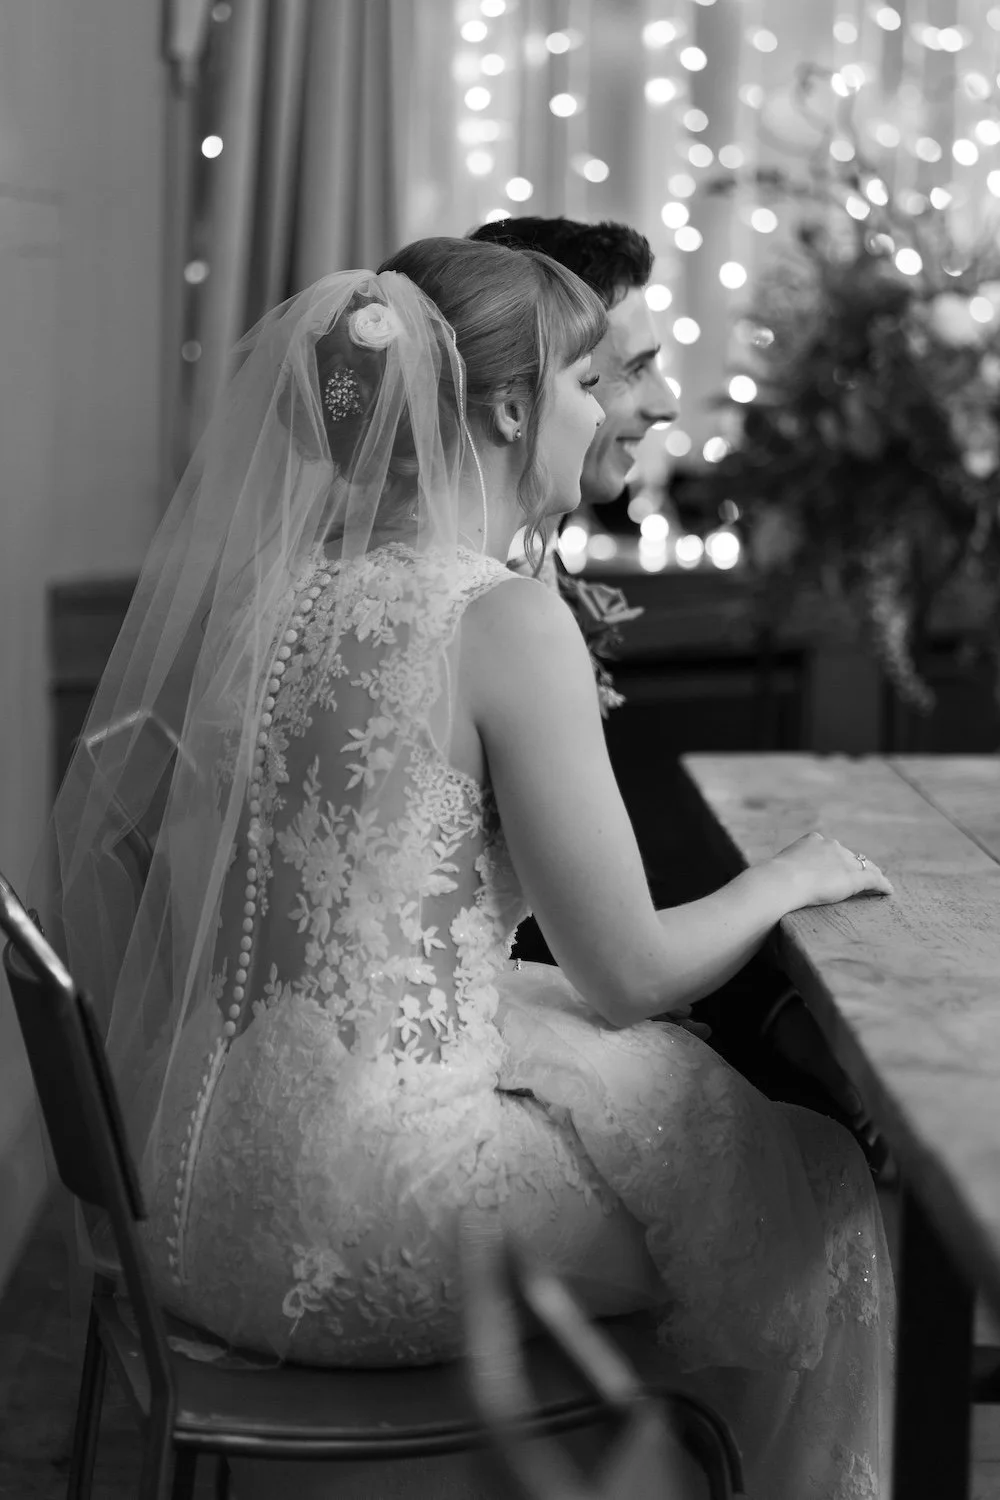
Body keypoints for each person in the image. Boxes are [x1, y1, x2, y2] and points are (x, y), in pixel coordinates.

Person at [41, 235, 894, 1498]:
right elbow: (627, 973)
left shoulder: (285, 594)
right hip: (366, 1214)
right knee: (822, 1203)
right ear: (506, 410)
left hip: (188, 1202)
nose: (605, 413)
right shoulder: (504, 618)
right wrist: (792, 876)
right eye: (588, 385)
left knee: (693, 1162)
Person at [471, 214, 879, 1151]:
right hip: (485, 1041)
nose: (663, 405)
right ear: (522, 390)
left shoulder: (505, 566)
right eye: (624, 372)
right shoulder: (497, 605)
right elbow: (598, 954)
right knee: (807, 1149)